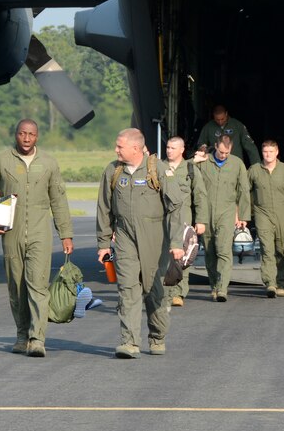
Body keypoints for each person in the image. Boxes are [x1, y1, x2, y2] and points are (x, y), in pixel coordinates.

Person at [0, 119, 73, 357]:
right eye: (22, 134)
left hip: (40, 232)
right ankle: (21, 335)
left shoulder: (49, 163)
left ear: (37, 137)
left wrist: (65, 234)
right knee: (17, 287)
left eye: (31, 134)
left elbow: (59, 200)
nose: (27, 139)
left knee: (38, 286)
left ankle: (37, 338)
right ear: (15, 134)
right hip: (11, 232)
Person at [96, 128, 184, 358]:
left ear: (135, 148)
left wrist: (176, 241)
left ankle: (157, 336)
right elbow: (104, 208)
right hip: (124, 237)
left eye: (119, 146)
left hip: (155, 237)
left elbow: (175, 206)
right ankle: (129, 343)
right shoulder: (113, 170)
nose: (115, 150)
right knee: (127, 289)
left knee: (153, 289)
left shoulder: (158, 170)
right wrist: (104, 244)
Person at [192, 135, 251, 302]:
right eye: (221, 152)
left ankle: (223, 288)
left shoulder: (237, 164)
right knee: (210, 251)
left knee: (223, 249)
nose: (224, 155)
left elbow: (243, 190)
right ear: (215, 147)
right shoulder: (204, 161)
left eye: (227, 152)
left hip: (227, 211)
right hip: (206, 212)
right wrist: (194, 160)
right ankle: (214, 286)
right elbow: (183, 171)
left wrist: (243, 216)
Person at [248, 140, 284, 298]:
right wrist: (242, 214)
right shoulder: (254, 170)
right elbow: (244, 192)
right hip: (262, 214)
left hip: (282, 216)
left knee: (283, 249)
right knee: (267, 249)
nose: (268, 155)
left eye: (271, 152)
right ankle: (270, 283)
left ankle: (281, 282)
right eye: (265, 151)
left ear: (277, 152)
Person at [163, 136, 195, 307]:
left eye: (173, 148)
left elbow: (200, 195)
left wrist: (202, 220)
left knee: (183, 254)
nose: (169, 151)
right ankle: (166, 291)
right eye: (168, 147)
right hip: (164, 218)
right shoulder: (160, 168)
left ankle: (179, 292)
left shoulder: (190, 168)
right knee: (165, 255)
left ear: (181, 150)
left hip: (183, 217)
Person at [195, 104, 260, 167]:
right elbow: (201, 143)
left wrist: (257, 166)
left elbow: (250, 146)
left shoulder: (237, 125)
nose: (220, 122)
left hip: (235, 165)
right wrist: (203, 148)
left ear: (226, 114)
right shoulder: (208, 127)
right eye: (217, 119)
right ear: (213, 116)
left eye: (222, 119)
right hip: (215, 165)